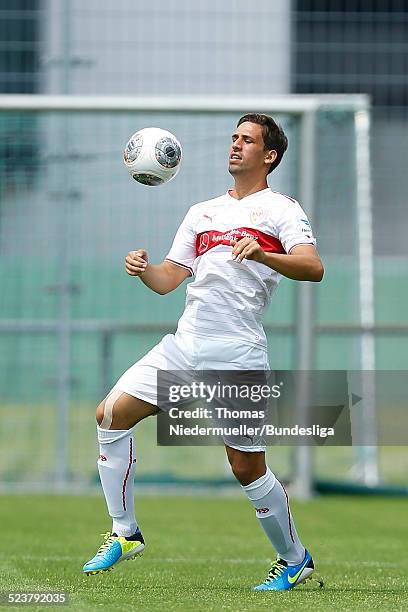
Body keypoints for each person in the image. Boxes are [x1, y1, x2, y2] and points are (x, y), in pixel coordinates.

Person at [82, 113, 325, 591]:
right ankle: (125, 531)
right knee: (110, 415)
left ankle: (294, 558)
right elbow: (169, 280)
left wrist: (261, 253)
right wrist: (144, 269)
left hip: (237, 354)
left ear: (269, 155)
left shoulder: (281, 209)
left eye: (247, 140)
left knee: (245, 466)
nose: (235, 145)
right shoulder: (202, 211)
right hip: (184, 345)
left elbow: (312, 267)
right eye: (234, 138)